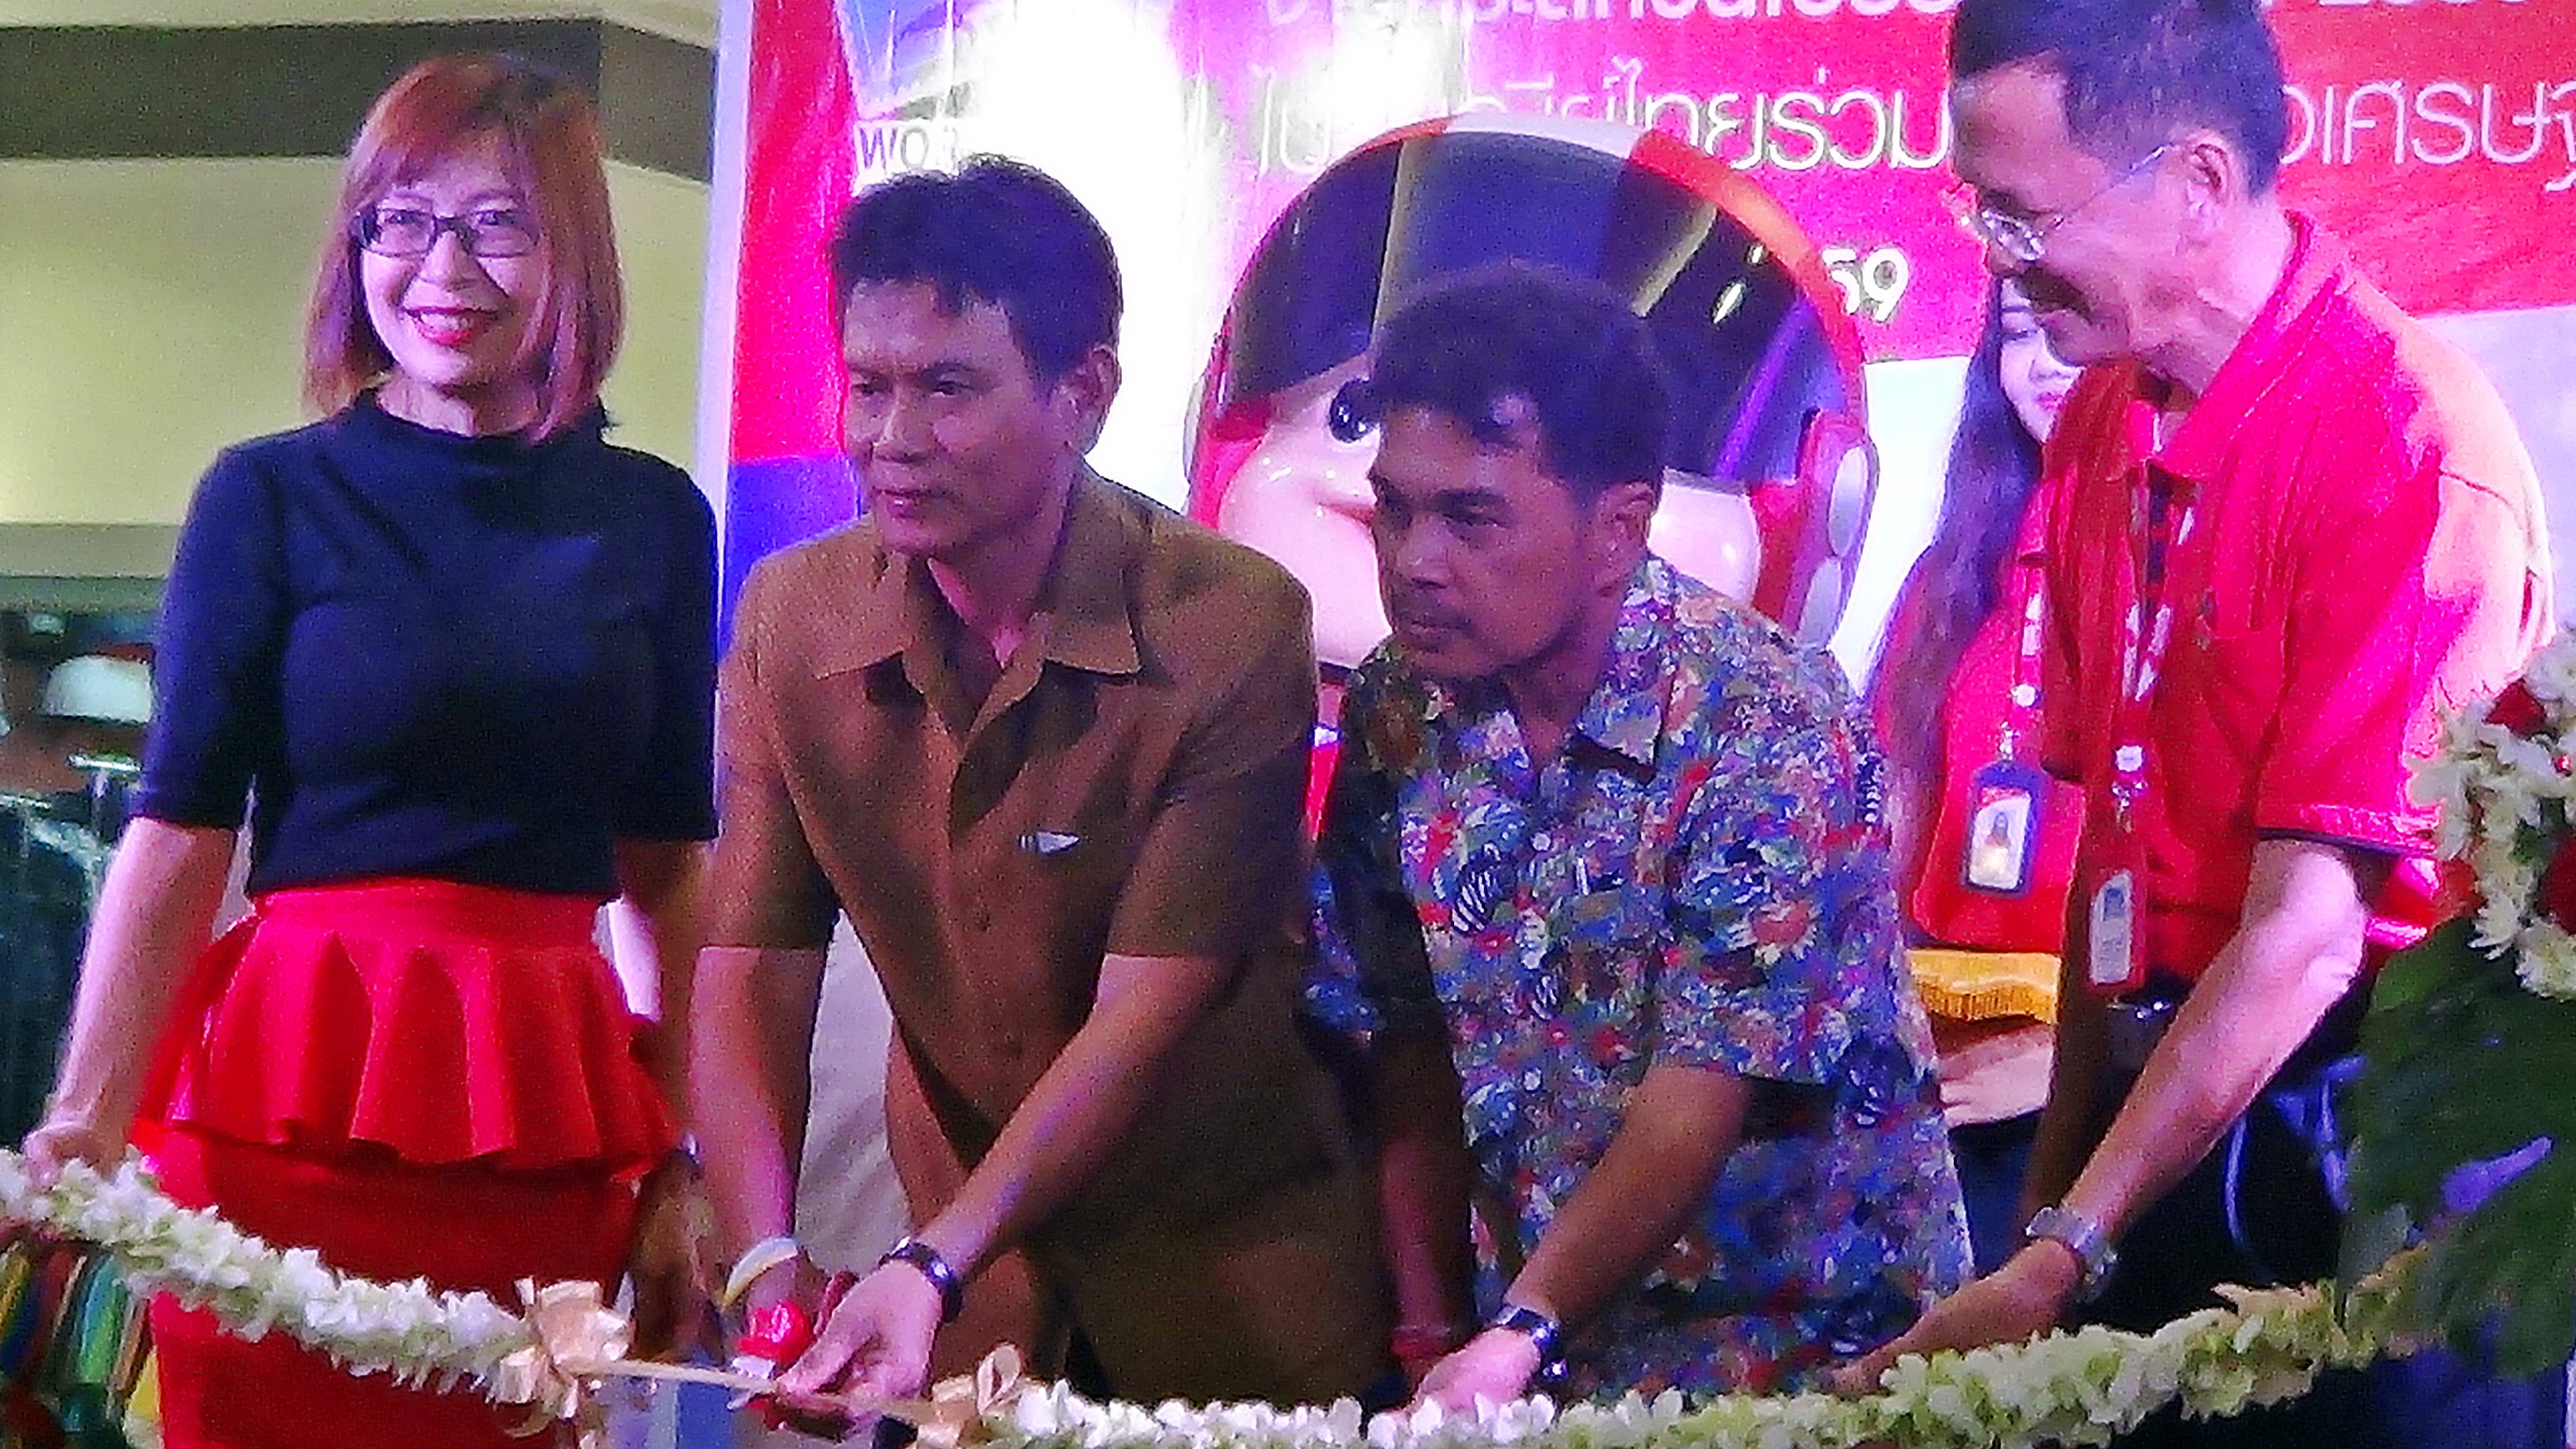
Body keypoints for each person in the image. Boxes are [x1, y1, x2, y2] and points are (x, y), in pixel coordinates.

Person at [1836, 2, 2556, 1444]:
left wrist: (2063, 1247)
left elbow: (2308, 934)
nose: (1997, 257)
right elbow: (2106, 864)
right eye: (1979, 212)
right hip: (2159, 1121)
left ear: (2199, 183)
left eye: (2024, 214)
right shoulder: (2106, 418)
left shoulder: (2405, 451)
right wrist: (2053, 1226)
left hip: (2367, 1140)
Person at [20, 54, 714, 1449]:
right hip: (290, 1095)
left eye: (498, 222)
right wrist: (88, 1117)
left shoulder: (656, 517)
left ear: (573, 251)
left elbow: (666, 870)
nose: (443, 266)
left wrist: (683, 1154)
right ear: (357, 246)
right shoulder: (266, 494)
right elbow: (179, 824)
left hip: (547, 1116)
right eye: (403, 218)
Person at [692, 155, 1390, 1426]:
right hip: (969, 1308)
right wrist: (763, 1264)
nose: (893, 439)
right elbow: (753, 965)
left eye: (949, 389)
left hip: (1233, 1286)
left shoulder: (1231, 623)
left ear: (1085, 394)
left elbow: (1145, 1017)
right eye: (869, 386)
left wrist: (929, 1263)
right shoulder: (793, 617)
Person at [1307, 262, 1968, 1406]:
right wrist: (1429, 1338)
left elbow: (1700, 1090)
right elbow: (1404, 1041)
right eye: (1396, 509)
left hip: (1808, 1366)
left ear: (1618, 527)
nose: (1414, 561)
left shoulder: (1768, 718)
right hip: (1531, 1363)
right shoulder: (1396, 709)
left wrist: (1520, 1333)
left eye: (1471, 517)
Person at [1868, 278, 2082, 1273]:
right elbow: (1889, 818)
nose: (2044, 364)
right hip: (1935, 1058)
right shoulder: (1948, 574)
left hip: (2108, 1060)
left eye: (2067, 330)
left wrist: (2067, 1061)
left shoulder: (2185, 558)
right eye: (2019, 334)